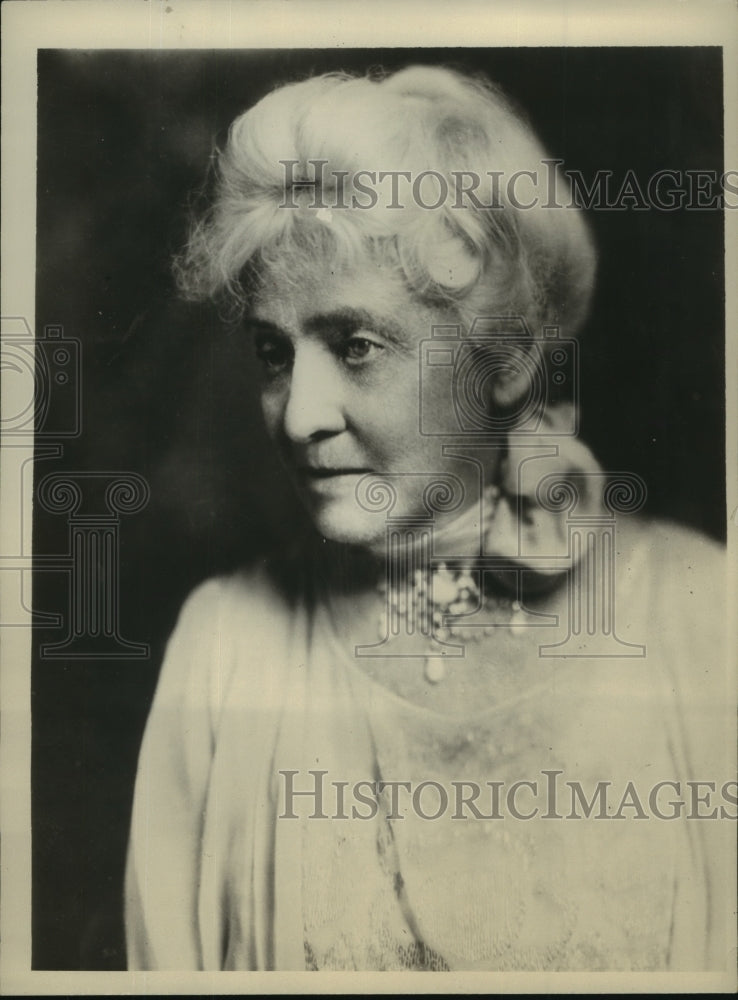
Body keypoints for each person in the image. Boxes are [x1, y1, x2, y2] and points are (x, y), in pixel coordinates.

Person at [124, 65, 729, 971]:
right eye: (272, 352)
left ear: (509, 357)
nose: (298, 415)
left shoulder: (704, 617)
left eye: (355, 346)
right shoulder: (225, 651)